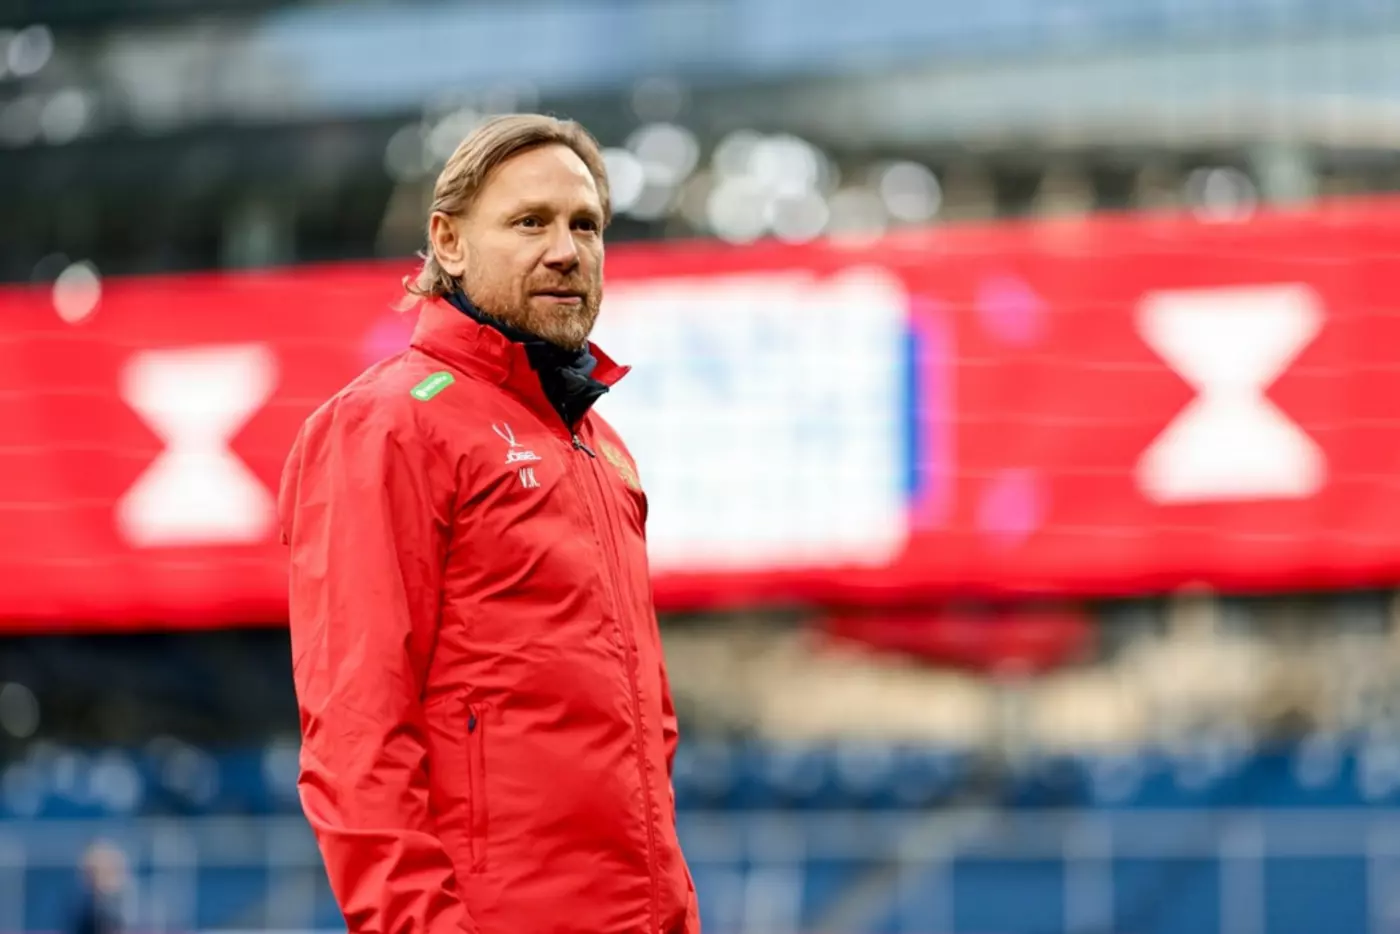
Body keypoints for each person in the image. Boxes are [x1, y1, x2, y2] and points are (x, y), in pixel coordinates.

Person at [278, 114, 698, 934]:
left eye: (586, 226)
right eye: (530, 222)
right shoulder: (389, 424)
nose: (566, 251)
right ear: (449, 241)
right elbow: (358, 734)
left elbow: (649, 733)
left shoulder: (601, 446)